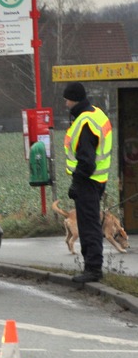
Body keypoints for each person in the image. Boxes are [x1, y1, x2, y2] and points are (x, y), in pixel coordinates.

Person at [63, 82, 113, 283]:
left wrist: (76, 182)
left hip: (87, 181)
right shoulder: (97, 114)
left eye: (66, 100)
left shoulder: (84, 123)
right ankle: (92, 267)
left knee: (88, 225)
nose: (65, 104)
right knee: (90, 222)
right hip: (98, 180)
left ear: (73, 99)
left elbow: (86, 161)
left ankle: (93, 269)